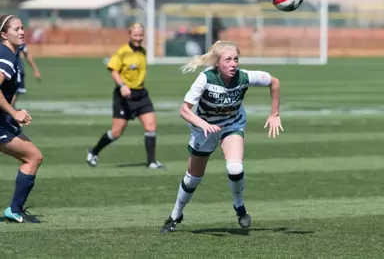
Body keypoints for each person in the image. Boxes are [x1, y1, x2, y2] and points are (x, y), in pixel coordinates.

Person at [160, 40, 283, 233]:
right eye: (228, 60)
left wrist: (274, 113)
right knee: (193, 179)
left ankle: (239, 207)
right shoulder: (205, 78)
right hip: (203, 128)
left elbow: (274, 82)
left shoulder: (244, 77)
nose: (233, 64)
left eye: (236, 59)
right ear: (218, 62)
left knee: (235, 168)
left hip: (232, 124)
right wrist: (204, 125)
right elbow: (184, 110)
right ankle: (176, 215)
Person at [87, 23, 163, 169]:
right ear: (129, 35)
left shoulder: (143, 51)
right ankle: (94, 151)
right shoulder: (122, 52)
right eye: (135, 35)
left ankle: (151, 161)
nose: (138, 38)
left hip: (141, 94)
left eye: (140, 35)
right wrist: (122, 86)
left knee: (151, 126)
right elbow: (113, 69)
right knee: (116, 132)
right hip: (124, 96)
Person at [0, 14, 43, 223]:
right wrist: (13, 112)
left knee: (33, 157)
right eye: (16, 29)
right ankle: (14, 210)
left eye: (22, 28)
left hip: (3, 121)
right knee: (33, 157)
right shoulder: (6, 56)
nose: (22, 32)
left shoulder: (11, 55)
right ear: (3, 34)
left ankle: (15, 210)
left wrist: (12, 113)